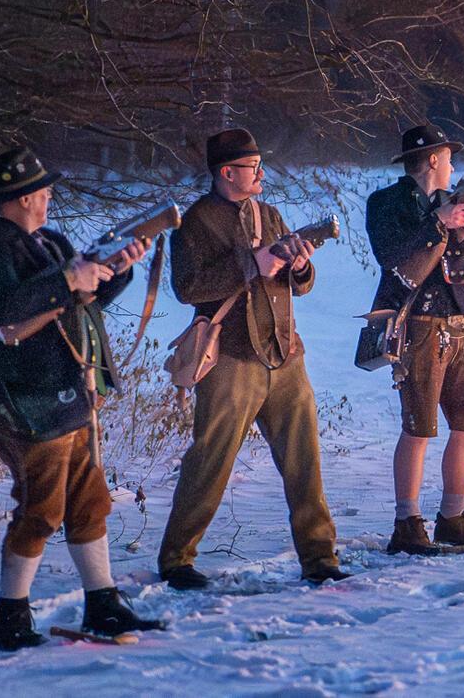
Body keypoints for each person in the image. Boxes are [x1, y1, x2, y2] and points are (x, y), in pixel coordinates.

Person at [0, 147, 163, 650]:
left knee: (89, 499)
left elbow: (82, 302)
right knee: (42, 507)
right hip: (23, 397)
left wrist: (117, 268)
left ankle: (103, 602)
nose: (50, 197)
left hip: (67, 390)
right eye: (43, 190)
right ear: (23, 197)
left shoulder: (48, 241)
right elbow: (5, 311)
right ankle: (10, 617)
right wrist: (69, 279)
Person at [158, 128, 344, 588]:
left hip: (284, 353)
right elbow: (188, 289)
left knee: (305, 463)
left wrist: (300, 266)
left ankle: (320, 560)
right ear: (226, 173)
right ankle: (177, 561)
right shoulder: (196, 223)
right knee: (210, 461)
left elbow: (300, 285)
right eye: (252, 166)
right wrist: (251, 265)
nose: (262, 172)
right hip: (231, 359)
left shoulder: (270, 214)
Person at [364, 124, 464, 554]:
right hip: (418, 324)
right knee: (418, 427)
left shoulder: (456, 197)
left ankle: (453, 517)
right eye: (448, 157)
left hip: (461, 320)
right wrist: (437, 224)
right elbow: (393, 256)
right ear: (432, 159)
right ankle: (407, 524)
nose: (452, 165)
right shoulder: (386, 203)